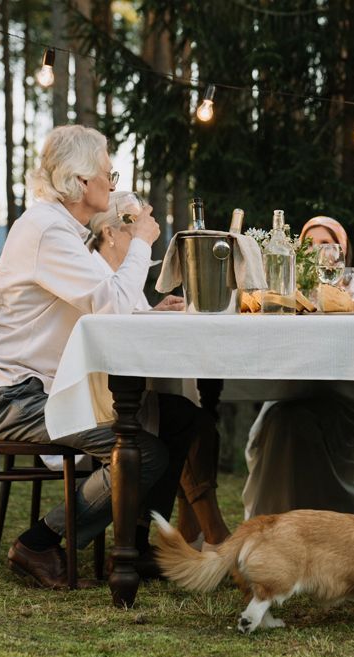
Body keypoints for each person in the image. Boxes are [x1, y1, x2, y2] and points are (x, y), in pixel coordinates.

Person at [0, 126, 198, 588]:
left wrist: (151, 313)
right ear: (79, 182)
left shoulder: (65, 233)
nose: (112, 184)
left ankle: (133, 547)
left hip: (46, 390)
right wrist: (141, 244)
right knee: (142, 451)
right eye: (107, 174)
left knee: (179, 417)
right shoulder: (45, 232)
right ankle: (40, 542)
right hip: (15, 398)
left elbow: (106, 307)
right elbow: (111, 304)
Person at [88, 195, 232, 550]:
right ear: (109, 231)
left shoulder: (121, 274)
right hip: (97, 398)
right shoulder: (95, 272)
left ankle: (173, 534)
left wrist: (153, 311)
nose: (143, 235)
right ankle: (173, 536)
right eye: (133, 227)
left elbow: (124, 321)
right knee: (185, 420)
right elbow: (108, 327)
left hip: (122, 392)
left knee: (192, 420)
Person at [241, 217, 354, 518]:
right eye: (310, 244)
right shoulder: (283, 294)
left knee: (305, 422)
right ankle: (273, 527)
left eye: (327, 244)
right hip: (287, 397)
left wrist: (344, 303)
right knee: (286, 420)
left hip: (344, 400)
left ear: (342, 252)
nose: (319, 251)